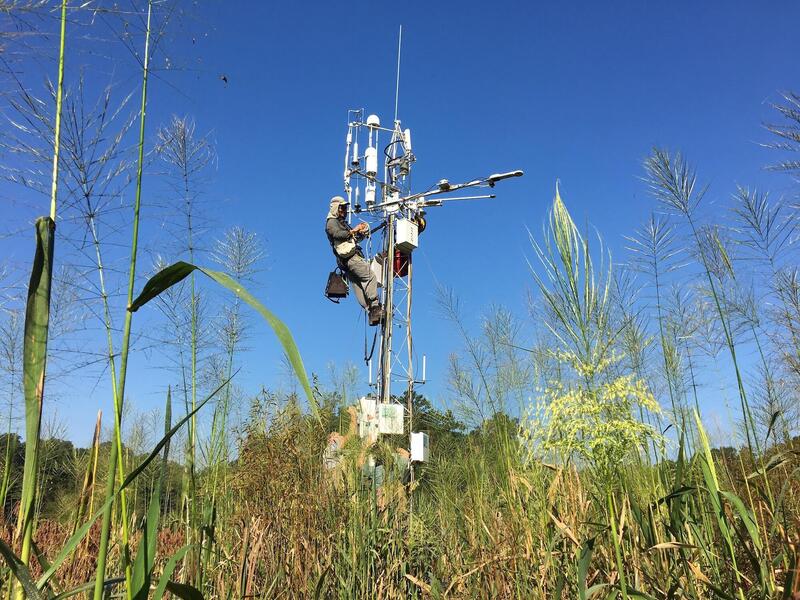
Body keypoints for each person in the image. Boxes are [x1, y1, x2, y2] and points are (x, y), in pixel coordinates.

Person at [325, 196, 385, 325]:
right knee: (369, 277)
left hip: (346, 263)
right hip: (351, 258)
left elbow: (351, 238)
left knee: (359, 286)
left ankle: (371, 313)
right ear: (335, 208)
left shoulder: (341, 223)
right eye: (342, 208)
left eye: (345, 208)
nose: (344, 211)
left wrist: (360, 232)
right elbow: (337, 234)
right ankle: (375, 307)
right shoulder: (332, 222)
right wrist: (354, 230)